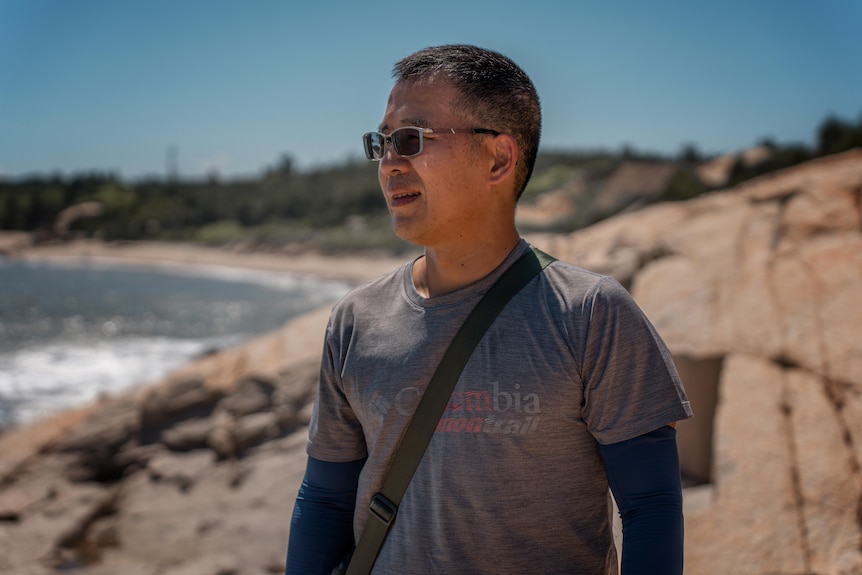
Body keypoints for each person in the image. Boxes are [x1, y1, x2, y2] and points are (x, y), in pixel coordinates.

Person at [285, 44, 693, 575]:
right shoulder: (355, 320)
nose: (388, 163)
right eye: (381, 143)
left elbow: (651, 508)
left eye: (410, 139)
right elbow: (324, 499)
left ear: (498, 158)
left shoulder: (592, 313)